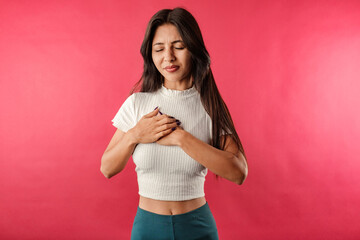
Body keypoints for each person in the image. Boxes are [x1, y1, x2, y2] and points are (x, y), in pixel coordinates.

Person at [100, 7, 248, 240]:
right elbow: (107, 168)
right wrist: (134, 135)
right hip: (148, 227)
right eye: (159, 49)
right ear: (151, 54)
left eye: (178, 47)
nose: (168, 57)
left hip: (197, 226)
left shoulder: (209, 105)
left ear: (194, 49)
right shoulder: (138, 104)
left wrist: (181, 138)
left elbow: (239, 173)